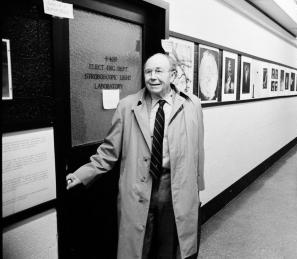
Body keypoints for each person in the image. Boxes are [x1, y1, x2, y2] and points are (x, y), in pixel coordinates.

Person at [66, 53, 205, 259]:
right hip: (138, 187)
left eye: (159, 71)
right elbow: (109, 150)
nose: (153, 77)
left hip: (175, 187)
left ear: (173, 74)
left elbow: (198, 149)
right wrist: (83, 174)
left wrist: (197, 187)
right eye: (148, 71)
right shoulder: (127, 106)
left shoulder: (192, 105)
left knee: (169, 247)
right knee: (138, 248)